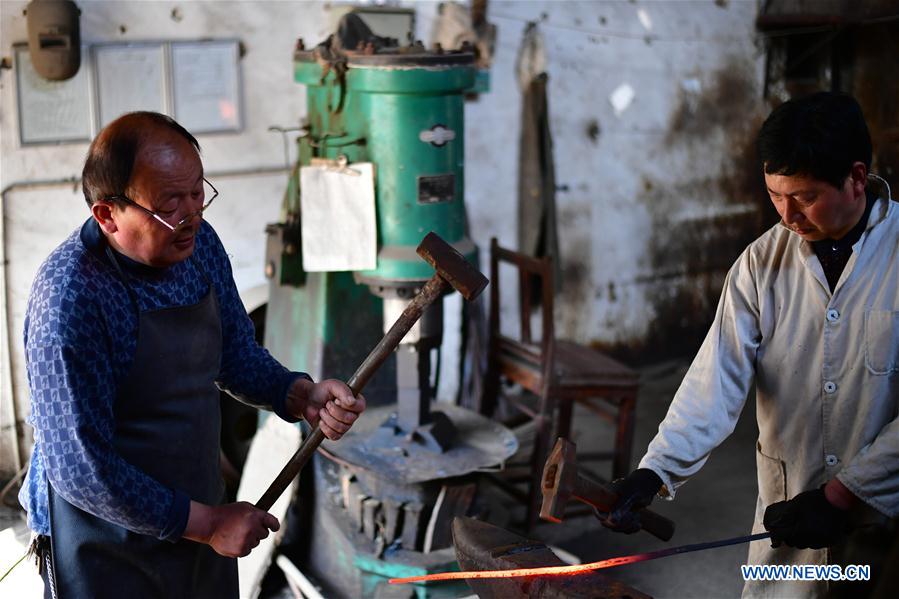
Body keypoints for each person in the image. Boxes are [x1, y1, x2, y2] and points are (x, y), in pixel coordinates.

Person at [18, 111, 367, 599]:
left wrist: (297, 393)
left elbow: (234, 354)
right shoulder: (71, 296)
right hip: (107, 542)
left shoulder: (198, 247)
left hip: (197, 510)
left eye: (198, 193)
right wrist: (205, 524)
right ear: (108, 214)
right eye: (169, 205)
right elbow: (80, 470)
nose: (191, 215)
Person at [601, 92, 898, 597]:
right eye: (774, 195)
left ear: (855, 177)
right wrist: (655, 472)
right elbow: (714, 380)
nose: (786, 215)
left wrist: (844, 495)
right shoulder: (761, 263)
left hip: (881, 528)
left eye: (803, 197)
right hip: (789, 518)